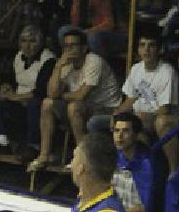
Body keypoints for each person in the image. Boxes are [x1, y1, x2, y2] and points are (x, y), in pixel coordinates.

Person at [28, 28, 122, 172]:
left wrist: (61, 95)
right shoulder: (66, 63)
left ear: (84, 48)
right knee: (47, 103)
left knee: (74, 107)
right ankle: (44, 155)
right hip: (84, 106)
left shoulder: (94, 61)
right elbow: (51, 93)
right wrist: (58, 67)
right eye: (65, 46)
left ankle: (82, 158)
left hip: (106, 107)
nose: (68, 49)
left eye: (72, 45)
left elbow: (81, 95)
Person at [87, 35, 179, 175]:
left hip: (156, 120)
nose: (146, 50)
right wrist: (118, 114)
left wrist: (136, 118)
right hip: (134, 118)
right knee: (94, 123)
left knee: (133, 126)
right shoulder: (136, 69)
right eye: (142, 45)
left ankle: (163, 171)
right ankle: (102, 167)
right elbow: (130, 100)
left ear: (160, 49)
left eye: (151, 45)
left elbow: (164, 110)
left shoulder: (167, 72)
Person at [0, 24, 56, 160]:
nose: (27, 46)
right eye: (23, 41)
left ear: (40, 42)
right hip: (18, 102)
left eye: (32, 41)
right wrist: (5, 87)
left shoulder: (49, 60)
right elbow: (11, 79)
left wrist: (15, 97)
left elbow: (41, 91)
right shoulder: (19, 56)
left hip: (37, 107)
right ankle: (2, 141)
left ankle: (33, 146)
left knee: (35, 102)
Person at [111, 112, 168, 212]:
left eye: (126, 131)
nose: (120, 136)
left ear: (137, 136)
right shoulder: (110, 158)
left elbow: (150, 209)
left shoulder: (149, 164)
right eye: (116, 131)